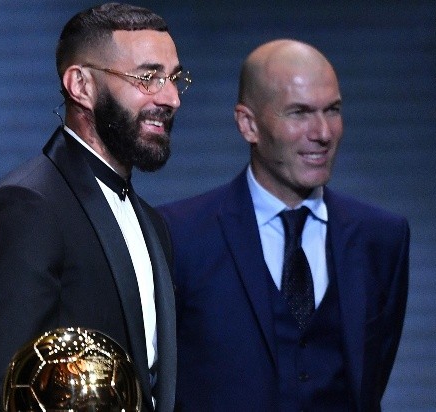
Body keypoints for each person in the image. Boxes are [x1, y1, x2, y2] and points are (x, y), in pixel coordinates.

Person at [158, 39, 409, 411]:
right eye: (300, 113)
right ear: (249, 124)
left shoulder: (381, 238)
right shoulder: (178, 235)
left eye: (333, 110)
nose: (323, 132)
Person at [0, 3, 190, 411]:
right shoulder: (25, 208)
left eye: (173, 79)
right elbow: (4, 392)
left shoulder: (152, 223)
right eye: (148, 77)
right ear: (80, 85)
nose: (170, 97)